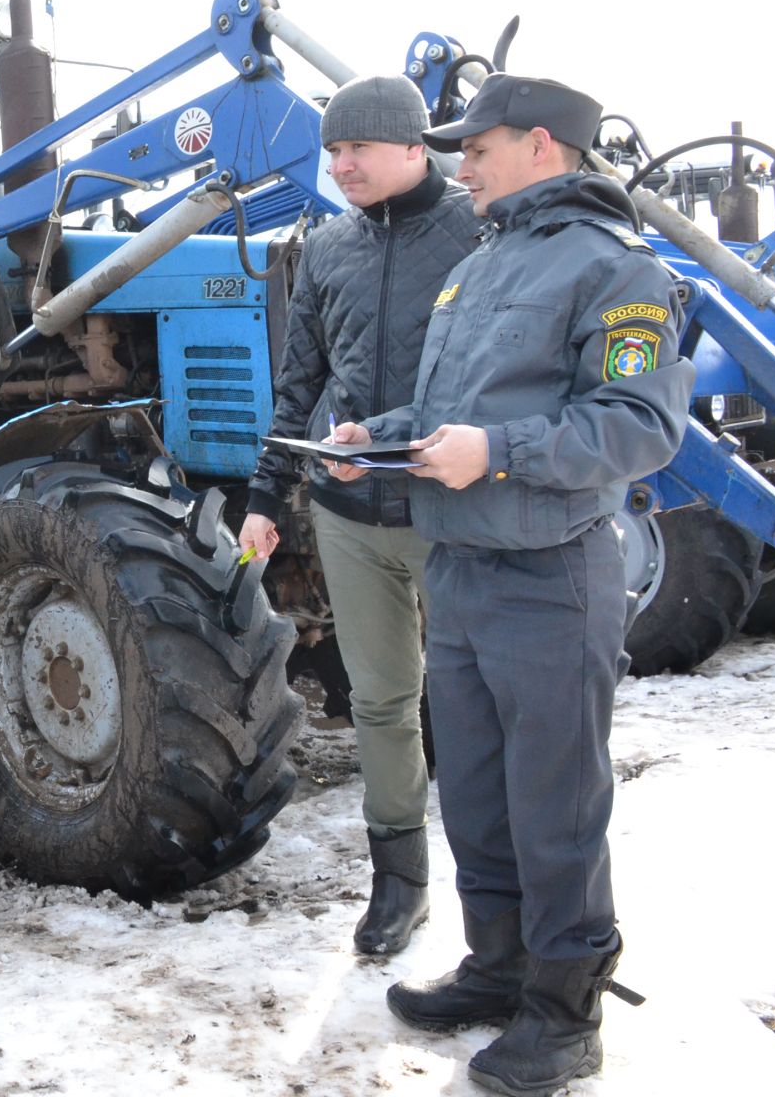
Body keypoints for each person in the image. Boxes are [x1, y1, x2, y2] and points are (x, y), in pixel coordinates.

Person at [324, 74, 691, 1096]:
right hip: (463, 570)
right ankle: (497, 966)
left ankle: (567, 1013)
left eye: (475, 149)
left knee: (554, 801)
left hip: (548, 578)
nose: (460, 166)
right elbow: (454, 407)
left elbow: (637, 426)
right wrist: (379, 440)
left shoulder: (615, 271)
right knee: (478, 790)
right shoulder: (483, 264)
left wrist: (497, 450)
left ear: (539, 145)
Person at [240, 74, 479, 956]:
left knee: (474, 699)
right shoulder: (327, 249)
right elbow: (297, 380)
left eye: (358, 149)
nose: (340, 165)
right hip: (348, 511)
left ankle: (499, 898)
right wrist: (267, 496)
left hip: (451, 509)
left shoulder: (476, 231)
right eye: (332, 151)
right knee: (382, 700)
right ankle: (399, 884)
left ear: (415, 147)